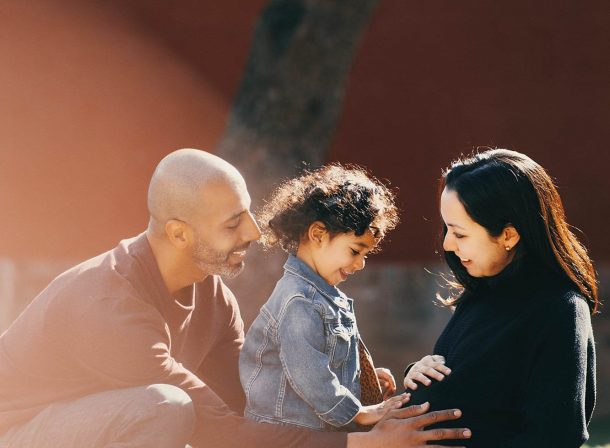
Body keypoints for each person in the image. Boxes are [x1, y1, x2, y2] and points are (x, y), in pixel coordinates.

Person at [0, 148, 471, 448]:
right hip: (21, 435)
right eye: (231, 224)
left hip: (105, 429)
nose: (254, 231)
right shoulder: (109, 306)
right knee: (167, 408)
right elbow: (216, 430)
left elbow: (247, 407)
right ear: (179, 233)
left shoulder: (211, 295)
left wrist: (357, 402)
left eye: (246, 212)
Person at [402, 148, 598, 447]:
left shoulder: (559, 310)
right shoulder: (481, 293)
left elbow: (554, 437)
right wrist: (419, 374)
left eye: (460, 233)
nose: (447, 243)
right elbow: (483, 390)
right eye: (446, 229)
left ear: (509, 235)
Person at [240, 164, 407, 431]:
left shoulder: (323, 295)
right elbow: (309, 373)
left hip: (312, 429)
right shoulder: (299, 301)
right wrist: (358, 413)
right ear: (318, 234)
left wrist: (361, 378)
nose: (361, 264)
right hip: (284, 433)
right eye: (355, 251)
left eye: (365, 255)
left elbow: (326, 361)